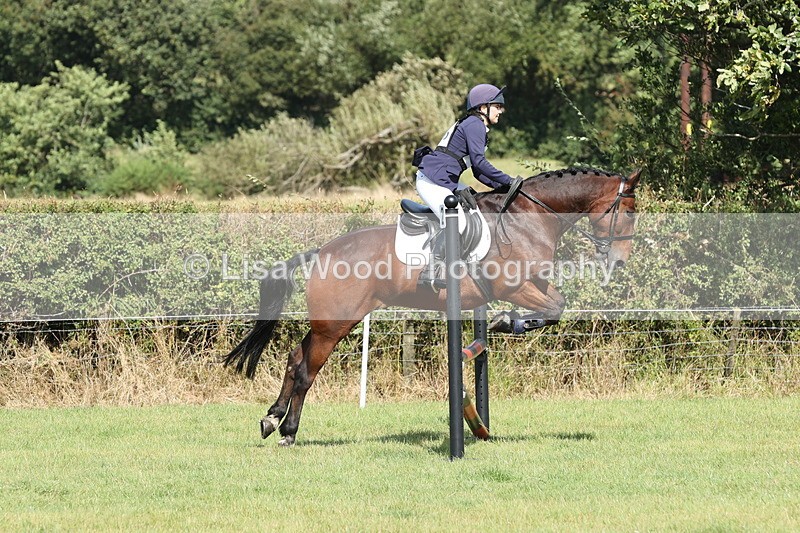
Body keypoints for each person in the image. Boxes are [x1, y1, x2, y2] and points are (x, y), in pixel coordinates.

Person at [416, 83, 514, 225]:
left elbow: (477, 171)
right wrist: (508, 180)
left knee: (474, 213)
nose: (501, 111)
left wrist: (501, 186)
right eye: (497, 107)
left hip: (443, 181)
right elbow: (479, 162)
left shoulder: (475, 125)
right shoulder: (474, 124)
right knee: (459, 224)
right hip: (432, 182)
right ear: (482, 108)